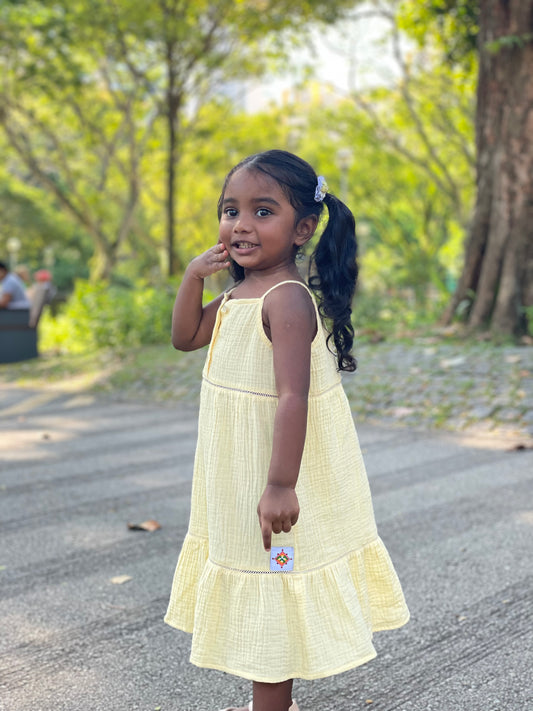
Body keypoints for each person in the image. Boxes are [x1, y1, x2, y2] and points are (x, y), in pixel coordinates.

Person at [164, 150, 409, 711]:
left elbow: (293, 397)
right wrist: (192, 276)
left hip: (271, 477)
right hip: (236, 473)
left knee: (274, 577)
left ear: (303, 229)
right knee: (256, 572)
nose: (241, 224)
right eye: (231, 210)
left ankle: (271, 707)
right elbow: (185, 336)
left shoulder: (287, 299)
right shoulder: (238, 294)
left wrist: (279, 484)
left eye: (263, 211)